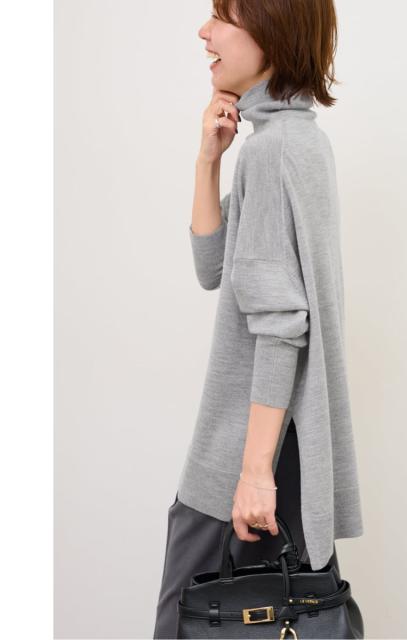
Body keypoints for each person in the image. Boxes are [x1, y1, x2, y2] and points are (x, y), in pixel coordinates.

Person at [153, 1, 364, 637]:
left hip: (251, 448)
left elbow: (279, 326)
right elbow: (213, 267)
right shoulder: (299, 142)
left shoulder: (273, 154)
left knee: (183, 622)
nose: (204, 31)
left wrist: (252, 475)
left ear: (272, 31)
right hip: (291, 445)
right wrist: (209, 159)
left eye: (224, 17)